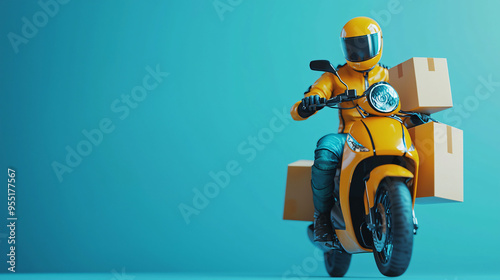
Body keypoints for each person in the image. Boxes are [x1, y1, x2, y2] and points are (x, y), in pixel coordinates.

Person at [290, 16, 389, 245]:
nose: (360, 51)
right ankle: (322, 217)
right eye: (354, 46)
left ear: (379, 42)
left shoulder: (390, 75)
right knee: (325, 149)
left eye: (365, 44)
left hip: (385, 135)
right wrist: (309, 103)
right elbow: (307, 100)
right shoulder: (335, 76)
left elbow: (413, 97)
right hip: (350, 137)